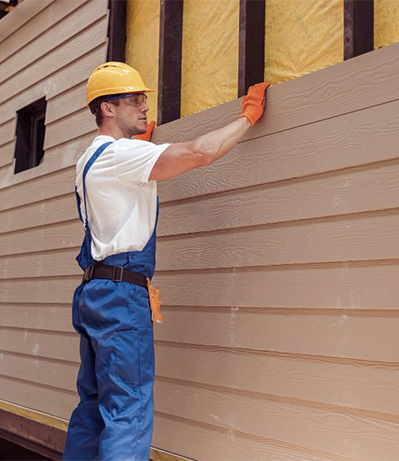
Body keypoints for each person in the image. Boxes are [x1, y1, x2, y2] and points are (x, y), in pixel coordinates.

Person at [63, 61, 270, 461]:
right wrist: (247, 116)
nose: (144, 106)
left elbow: (125, 185)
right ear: (107, 108)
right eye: (135, 99)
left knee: (94, 406)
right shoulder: (120, 155)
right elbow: (199, 152)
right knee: (128, 409)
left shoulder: (91, 158)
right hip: (122, 295)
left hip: (95, 291)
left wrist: (143, 147)